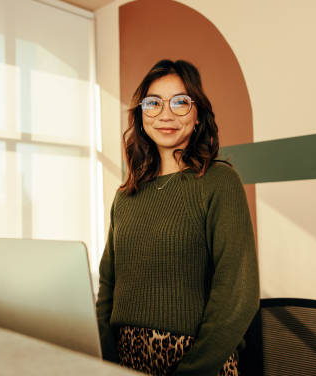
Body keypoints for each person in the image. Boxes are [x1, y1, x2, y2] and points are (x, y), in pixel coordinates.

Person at [96, 59, 260, 376]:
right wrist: (105, 357)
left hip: (198, 364)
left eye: (181, 102)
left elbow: (237, 295)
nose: (165, 114)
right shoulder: (126, 195)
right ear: (141, 115)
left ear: (198, 116)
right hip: (125, 361)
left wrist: (191, 371)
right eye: (153, 103)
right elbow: (108, 286)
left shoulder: (219, 181)